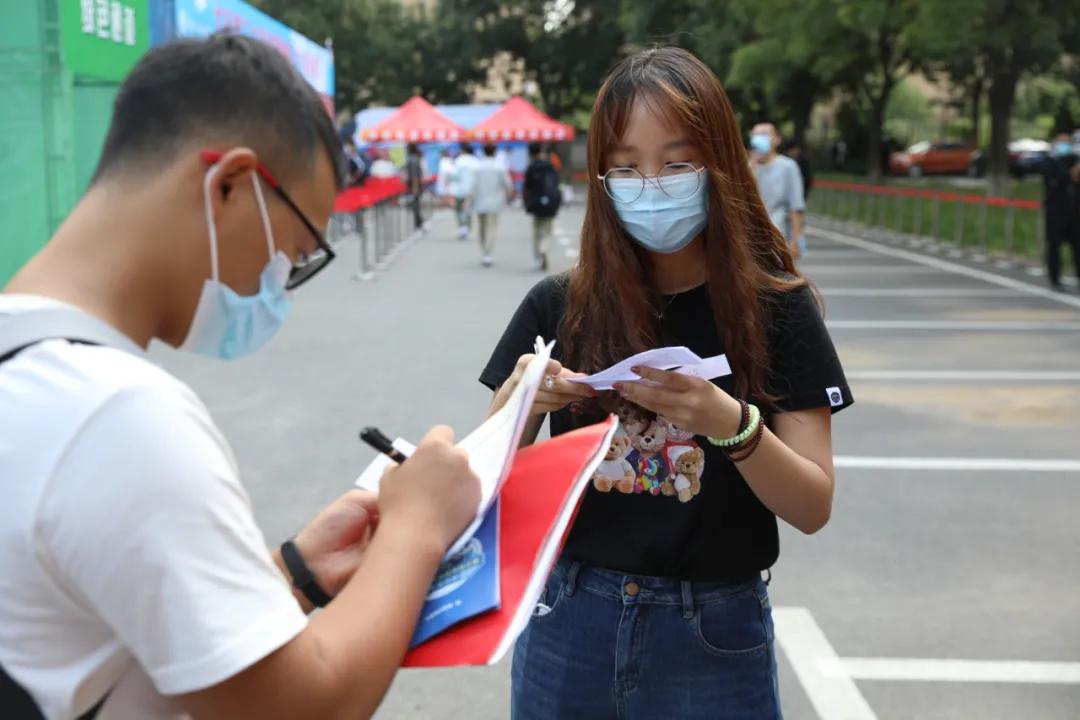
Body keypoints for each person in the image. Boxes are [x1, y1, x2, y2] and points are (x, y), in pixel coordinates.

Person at [0, 34, 480, 719]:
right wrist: (419, 524)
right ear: (229, 183)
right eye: (295, 253)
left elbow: (100, 636)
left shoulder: (27, 359)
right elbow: (303, 706)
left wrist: (292, 575)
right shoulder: (114, 414)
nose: (280, 286)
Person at [480, 46, 852, 719]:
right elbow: (480, 485)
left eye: (677, 163)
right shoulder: (559, 305)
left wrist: (731, 426)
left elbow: (812, 505)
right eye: (625, 166)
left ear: (721, 167)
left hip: (712, 628)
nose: (650, 185)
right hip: (569, 615)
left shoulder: (777, 309)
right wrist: (519, 401)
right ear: (601, 177)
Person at [750, 122, 806, 259]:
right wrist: (752, 165)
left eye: (765, 134)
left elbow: (796, 206)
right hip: (751, 238)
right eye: (756, 135)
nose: (760, 138)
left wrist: (795, 240)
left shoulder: (788, 166)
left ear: (777, 140)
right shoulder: (747, 167)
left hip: (779, 237)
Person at [1035, 133, 1080, 291]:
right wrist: (1070, 174)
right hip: (1055, 212)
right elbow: (1053, 180)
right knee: (1054, 246)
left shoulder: (1073, 159)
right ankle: (1055, 279)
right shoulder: (1050, 162)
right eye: (1062, 143)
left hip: (1074, 213)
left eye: (1068, 143)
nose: (1065, 146)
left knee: (1077, 246)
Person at [472, 143, 513, 267]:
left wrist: (469, 199)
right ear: (495, 152)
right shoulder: (499, 167)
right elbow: (507, 184)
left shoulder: (478, 166)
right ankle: (488, 253)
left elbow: (473, 185)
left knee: (481, 227)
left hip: (479, 201)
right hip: (495, 202)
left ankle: (484, 250)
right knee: (491, 228)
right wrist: (509, 195)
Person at [523, 142, 562, 272]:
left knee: (536, 231)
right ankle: (544, 248)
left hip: (535, 203)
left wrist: (526, 204)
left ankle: (538, 255)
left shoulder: (531, 167)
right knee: (548, 230)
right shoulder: (550, 165)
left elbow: (527, 188)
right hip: (550, 202)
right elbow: (557, 184)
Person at [452, 144, 480, 240]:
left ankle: (462, 226)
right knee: (468, 209)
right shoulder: (476, 161)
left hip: (460, 190)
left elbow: (455, 175)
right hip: (472, 190)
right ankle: (467, 227)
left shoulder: (459, 160)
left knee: (459, 209)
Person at [405, 142, 425, 232]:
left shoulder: (412, 160)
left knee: (415, 205)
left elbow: (414, 175)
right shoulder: (416, 159)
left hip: (414, 185)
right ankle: (418, 222)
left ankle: (419, 222)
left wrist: (414, 187)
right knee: (415, 204)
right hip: (416, 185)